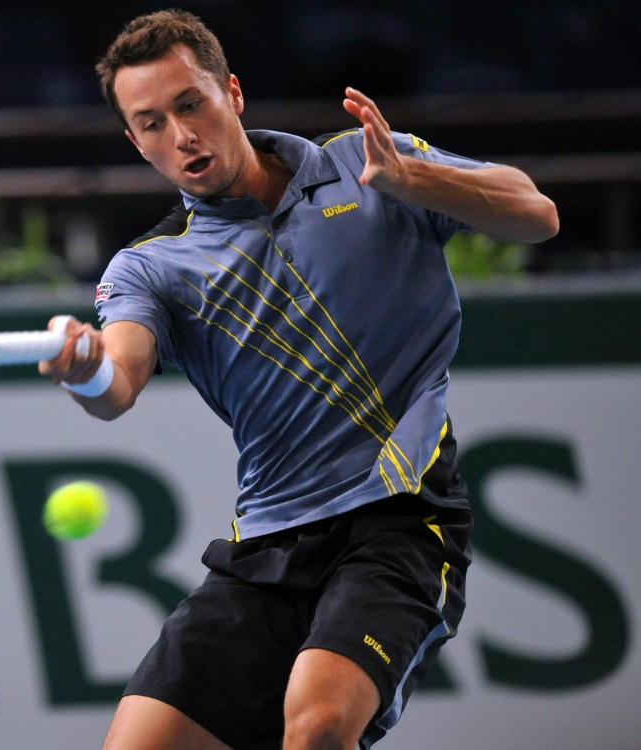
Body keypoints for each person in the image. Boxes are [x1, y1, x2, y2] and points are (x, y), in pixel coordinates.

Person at [40, 9, 559, 750]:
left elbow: (534, 214)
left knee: (315, 728)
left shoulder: (362, 161)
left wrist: (412, 178)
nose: (180, 136)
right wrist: (83, 369)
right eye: (150, 123)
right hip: (266, 548)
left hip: (401, 520)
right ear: (133, 141)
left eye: (191, 104)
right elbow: (117, 380)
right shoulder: (151, 266)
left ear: (233, 95)